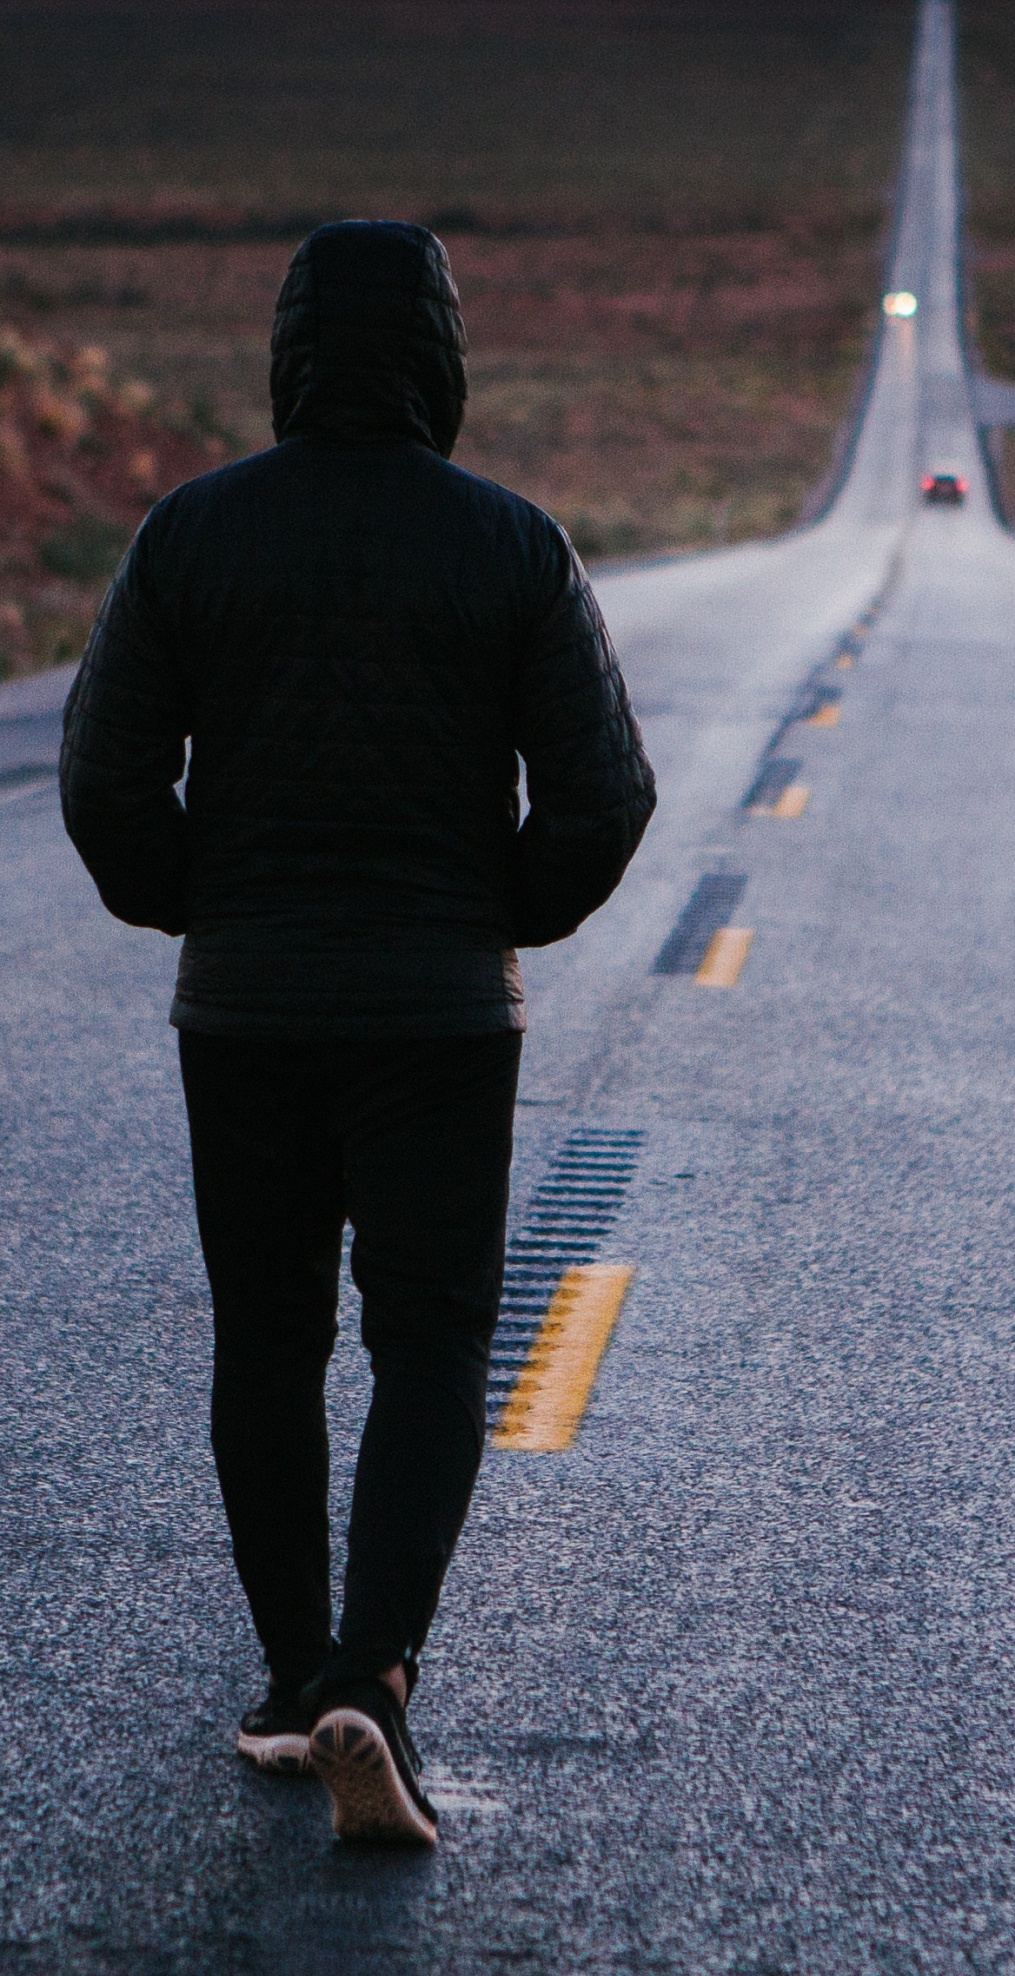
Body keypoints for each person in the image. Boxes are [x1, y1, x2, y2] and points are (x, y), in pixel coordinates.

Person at [60, 220, 656, 1847]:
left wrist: (207, 905)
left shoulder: (192, 535)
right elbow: (606, 794)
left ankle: (283, 1680)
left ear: (291, 352)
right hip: (440, 1017)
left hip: (245, 1006)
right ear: (443, 360)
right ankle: (370, 1682)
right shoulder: (512, 545)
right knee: (432, 1342)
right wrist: (495, 918)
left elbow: (104, 783)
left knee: (267, 1342)